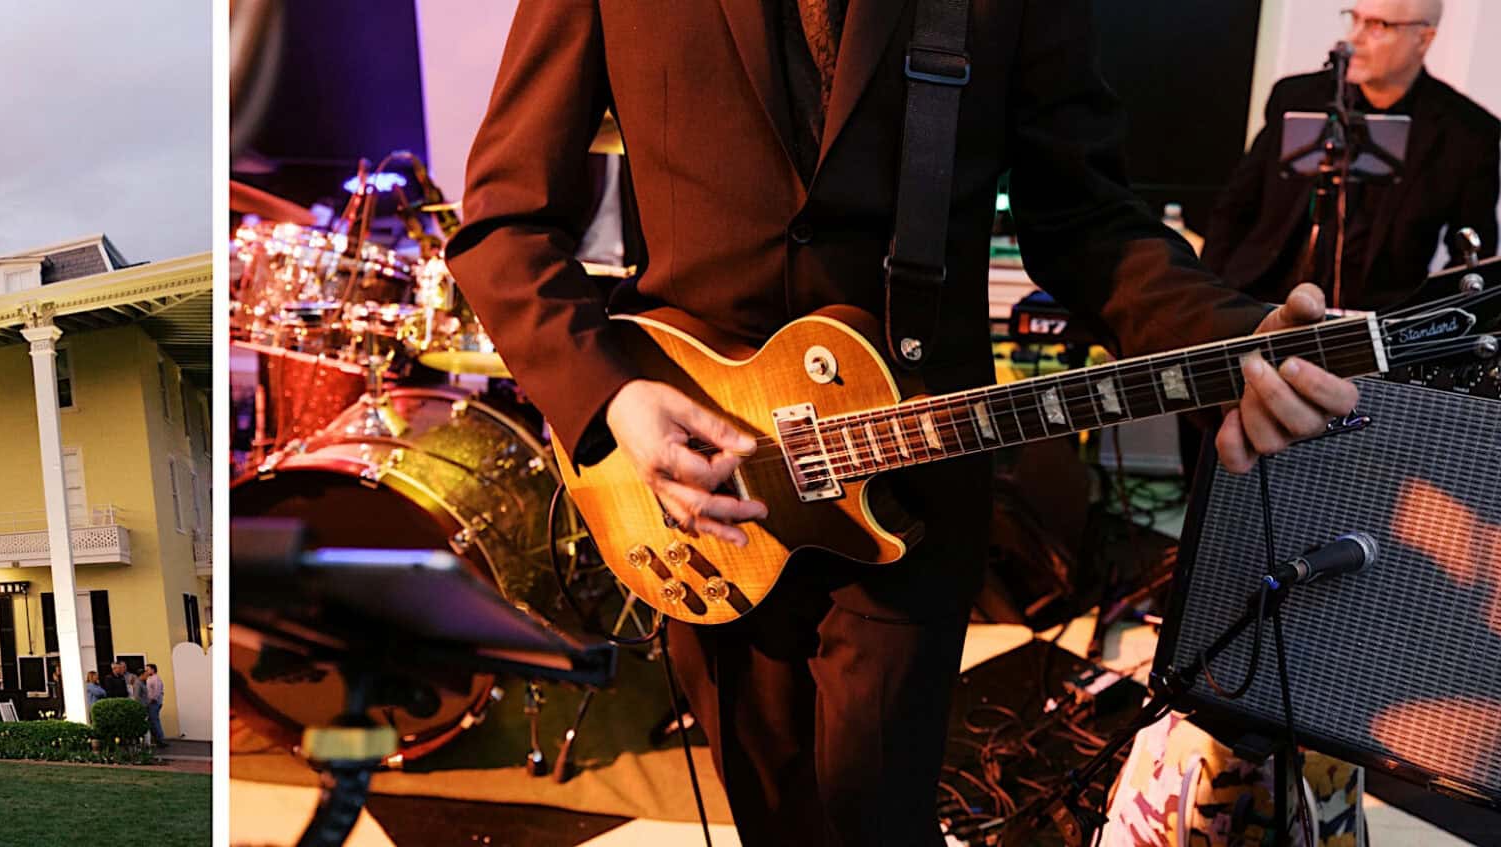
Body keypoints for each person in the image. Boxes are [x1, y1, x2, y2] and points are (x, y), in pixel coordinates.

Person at [445, 2, 1359, 844]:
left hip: (916, 476)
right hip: (699, 494)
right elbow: (503, 222)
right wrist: (610, 398)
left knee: (878, 815)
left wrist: (1229, 335)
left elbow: (1084, 215)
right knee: (772, 816)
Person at [1204, 0, 1498, 312]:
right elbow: (1235, 208)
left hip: (1373, 322)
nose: (1353, 38)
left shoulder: (1469, 133)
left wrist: (1421, 325)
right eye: (1354, 19)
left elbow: (1473, 257)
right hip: (1261, 296)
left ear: (1423, 39)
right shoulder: (1295, 96)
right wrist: (1212, 293)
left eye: (1377, 26)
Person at [139, 664, 168, 747]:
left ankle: (160, 740)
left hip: (154, 703)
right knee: (153, 721)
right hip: (151, 703)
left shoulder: (156, 679)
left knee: (155, 721)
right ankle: (157, 739)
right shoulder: (149, 678)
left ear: (153, 670)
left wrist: (152, 700)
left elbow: (157, 691)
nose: (146, 671)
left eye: (148, 669)